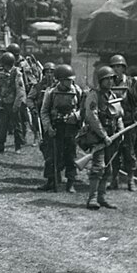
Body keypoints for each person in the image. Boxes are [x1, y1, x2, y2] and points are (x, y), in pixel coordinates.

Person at [82, 66, 123, 210]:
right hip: (98, 137)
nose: (111, 82)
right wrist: (104, 136)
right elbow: (91, 116)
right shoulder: (94, 95)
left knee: (108, 168)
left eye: (112, 79)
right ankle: (92, 198)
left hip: (111, 137)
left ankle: (102, 197)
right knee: (98, 167)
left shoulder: (112, 96)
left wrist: (121, 130)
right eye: (107, 79)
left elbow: (118, 115)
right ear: (101, 80)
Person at [39, 64, 83, 193]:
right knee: (52, 156)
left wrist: (75, 116)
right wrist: (48, 128)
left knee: (71, 156)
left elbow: (83, 109)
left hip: (70, 129)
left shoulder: (77, 91)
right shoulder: (51, 92)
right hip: (55, 128)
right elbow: (44, 111)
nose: (69, 82)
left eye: (71, 80)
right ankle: (51, 181)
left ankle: (70, 182)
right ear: (60, 80)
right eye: (66, 80)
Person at [107, 53, 137, 191]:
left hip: (128, 121)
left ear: (124, 68)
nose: (116, 69)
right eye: (113, 67)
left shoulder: (130, 82)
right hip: (113, 123)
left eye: (119, 67)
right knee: (114, 152)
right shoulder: (108, 83)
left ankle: (131, 180)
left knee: (129, 152)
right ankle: (114, 179)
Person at [0, 52, 26, 154]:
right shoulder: (2, 74)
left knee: (17, 125)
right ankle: (0, 144)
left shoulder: (17, 73)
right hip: (4, 103)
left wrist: (17, 104)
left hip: (14, 103)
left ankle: (18, 146)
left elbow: (20, 90)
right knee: (2, 124)